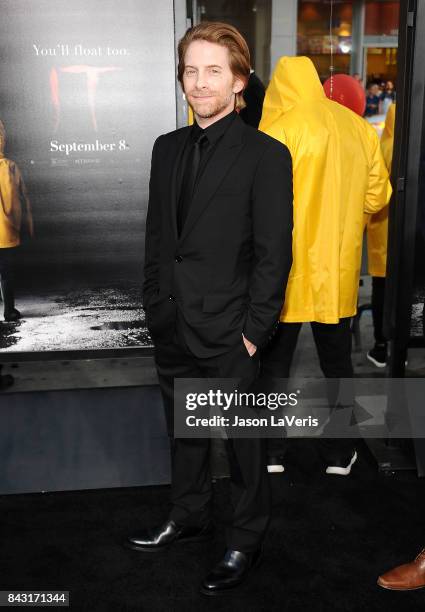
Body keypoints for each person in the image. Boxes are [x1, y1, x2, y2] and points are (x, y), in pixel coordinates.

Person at [127, 22, 293, 596]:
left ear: (239, 80)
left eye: (213, 71)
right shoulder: (166, 148)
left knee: (244, 447)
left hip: (231, 331)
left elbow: (275, 254)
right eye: (191, 71)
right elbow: (158, 238)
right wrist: (155, 305)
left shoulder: (266, 155)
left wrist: (254, 332)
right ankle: (190, 514)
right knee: (186, 433)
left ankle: (246, 539)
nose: (199, 84)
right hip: (173, 322)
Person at [259, 56, 391, 475]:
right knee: (337, 364)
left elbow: (257, 204)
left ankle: (271, 453)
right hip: (337, 270)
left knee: (274, 365)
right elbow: (378, 197)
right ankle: (339, 454)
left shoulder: (276, 130)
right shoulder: (357, 127)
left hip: (285, 273)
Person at [366, 103, 396, 368]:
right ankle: (404, 342)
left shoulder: (384, 146)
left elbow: (375, 195)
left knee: (382, 290)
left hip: (382, 234)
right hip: (411, 238)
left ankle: (381, 345)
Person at [0, 120, 33, 322]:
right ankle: (9, 310)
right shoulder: (10, 167)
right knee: (5, 272)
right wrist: (26, 224)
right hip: (4, 233)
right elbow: (21, 198)